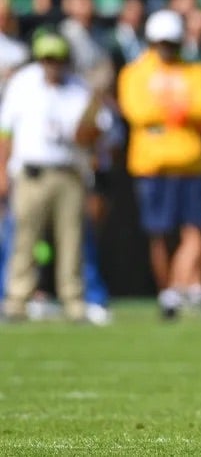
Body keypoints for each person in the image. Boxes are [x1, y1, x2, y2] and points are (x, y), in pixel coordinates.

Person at [117, 9, 201, 320]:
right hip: (152, 166)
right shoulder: (135, 72)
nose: (166, 48)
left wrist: (165, 115)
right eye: (160, 43)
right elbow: (138, 111)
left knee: (200, 229)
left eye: (171, 43)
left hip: (191, 163)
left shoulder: (197, 71)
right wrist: (181, 112)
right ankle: (168, 292)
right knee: (159, 232)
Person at [0, 29, 111, 322]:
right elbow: (6, 130)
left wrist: (90, 128)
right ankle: (16, 301)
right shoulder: (22, 84)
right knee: (23, 238)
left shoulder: (79, 89)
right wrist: (2, 168)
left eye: (57, 59)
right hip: (31, 172)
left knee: (72, 240)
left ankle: (73, 300)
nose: (52, 65)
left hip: (69, 173)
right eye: (47, 59)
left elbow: (94, 133)